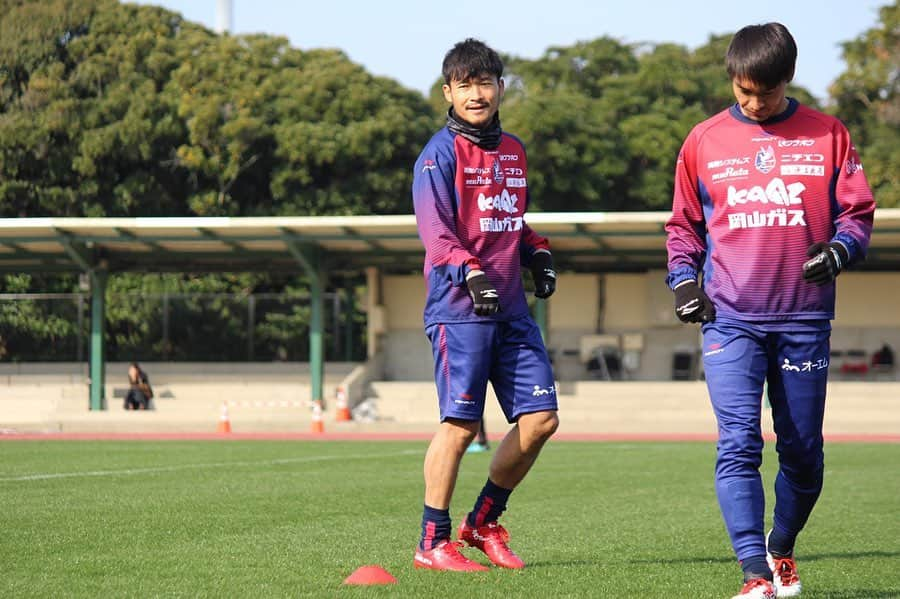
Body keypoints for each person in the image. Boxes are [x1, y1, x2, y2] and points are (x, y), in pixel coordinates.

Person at [665, 23, 875, 599]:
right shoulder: (703, 140)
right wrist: (684, 282)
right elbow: (683, 226)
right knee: (737, 442)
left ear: (789, 79)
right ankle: (755, 575)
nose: (754, 104)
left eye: (767, 92)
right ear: (732, 80)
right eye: (743, 91)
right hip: (730, 318)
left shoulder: (829, 134)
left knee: (803, 453)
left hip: (804, 320)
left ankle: (781, 548)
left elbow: (858, 216)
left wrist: (840, 249)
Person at [411, 38, 559, 572]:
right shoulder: (439, 155)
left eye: (485, 82)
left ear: (499, 88)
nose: (476, 94)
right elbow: (437, 233)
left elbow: (507, 219)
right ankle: (432, 541)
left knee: (541, 419)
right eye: (465, 85)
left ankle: (483, 522)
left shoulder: (514, 150)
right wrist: (471, 273)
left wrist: (536, 251)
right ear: (448, 91)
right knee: (461, 425)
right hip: (459, 308)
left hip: (512, 310)